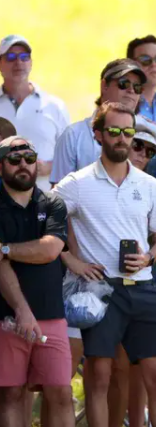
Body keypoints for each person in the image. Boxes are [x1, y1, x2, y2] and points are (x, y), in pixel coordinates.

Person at [53, 101, 156, 427]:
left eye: (128, 133)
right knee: (99, 376)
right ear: (98, 134)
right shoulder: (77, 183)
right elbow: (44, 216)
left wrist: (149, 256)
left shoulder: (148, 184)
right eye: (115, 132)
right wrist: (71, 259)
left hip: (145, 287)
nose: (123, 139)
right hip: (101, 290)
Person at [0, 136, 73, 427]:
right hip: (6, 316)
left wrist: (6, 249)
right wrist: (21, 310)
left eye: (29, 159)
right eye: (14, 159)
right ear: (1, 164)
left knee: (61, 393)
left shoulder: (53, 201)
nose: (23, 165)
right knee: (11, 395)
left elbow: (51, 249)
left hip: (52, 315)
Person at [50, 58, 148, 186]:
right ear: (104, 86)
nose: (131, 90)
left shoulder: (150, 135)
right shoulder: (73, 136)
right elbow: (59, 196)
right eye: (124, 83)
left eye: (137, 87)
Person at [0, 35, 70, 191]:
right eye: (11, 57)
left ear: (31, 63)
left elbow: (70, 155)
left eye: (24, 57)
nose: (18, 62)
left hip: (43, 200)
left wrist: (49, 167)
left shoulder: (54, 106)